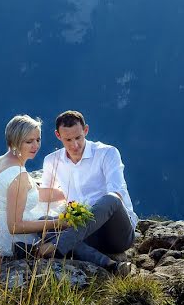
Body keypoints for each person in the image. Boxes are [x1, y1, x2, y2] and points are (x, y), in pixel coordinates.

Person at [40, 110, 136, 275]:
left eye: (78, 138)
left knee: (111, 199)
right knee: (43, 222)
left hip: (116, 233)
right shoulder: (51, 161)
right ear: (58, 135)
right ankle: (110, 265)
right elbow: (44, 196)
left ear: (86, 130)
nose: (74, 145)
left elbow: (117, 192)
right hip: (84, 234)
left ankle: (58, 246)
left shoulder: (107, 152)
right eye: (68, 140)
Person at [0, 115, 64, 257]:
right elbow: (14, 227)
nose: (35, 146)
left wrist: (64, 193)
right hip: (7, 241)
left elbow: (31, 193)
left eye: (38, 139)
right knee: (67, 227)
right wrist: (58, 223)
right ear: (15, 141)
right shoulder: (18, 175)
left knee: (60, 203)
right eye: (29, 141)